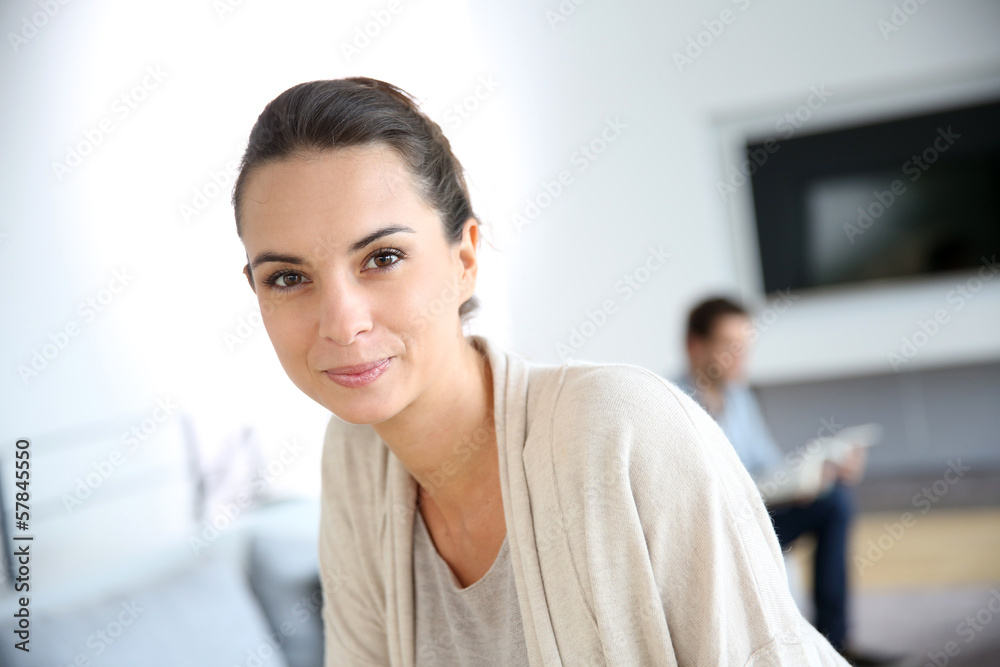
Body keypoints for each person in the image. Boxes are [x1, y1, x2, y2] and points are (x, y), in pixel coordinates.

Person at [230, 77, 850, 666]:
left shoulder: (622, 428)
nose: (342, 323)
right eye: (288, 278)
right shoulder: (354, 457)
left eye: (382, 257)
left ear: (465, 259)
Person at [675, 297, 896, 667]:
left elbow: (770, 470)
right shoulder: (673, 404)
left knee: (834, 500)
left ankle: (835, 643)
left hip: (755, 515)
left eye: (745, 347)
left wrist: (820, 470)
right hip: (714, 531)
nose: (742, 357)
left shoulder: (738, 397)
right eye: (731, 347)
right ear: (694, 346)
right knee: (831, 503)